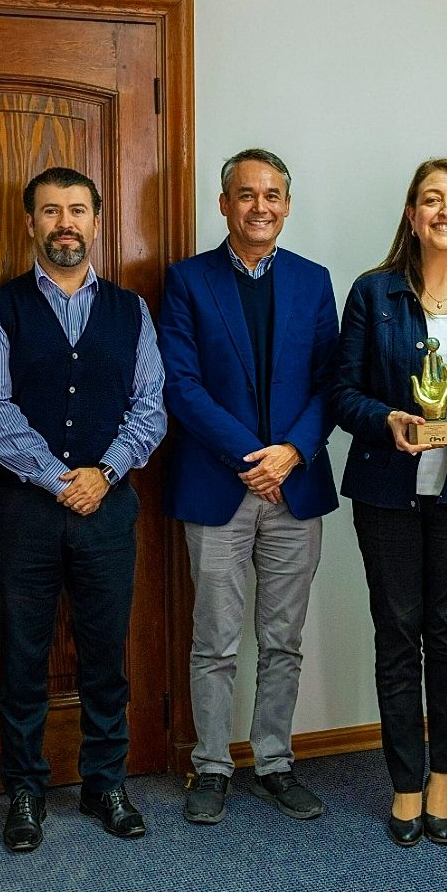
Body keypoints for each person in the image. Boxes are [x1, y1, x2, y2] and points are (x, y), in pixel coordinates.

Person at [0, 167, 166, 852]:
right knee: (22, 657)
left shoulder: (131, 309)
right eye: (50, 211)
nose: (64, 223)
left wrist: (104, 472)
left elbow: (151, 406)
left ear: (97, 220)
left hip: (109, 508)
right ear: (30, 224)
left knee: (105, 655)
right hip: (24, 510)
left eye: (76, 209)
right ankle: (24, 787)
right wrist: (60, 479)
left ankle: (104, 780)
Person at [332, 158, 447, 847]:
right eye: (432, 199)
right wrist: (386, 419)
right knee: (396, 633)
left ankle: (444, 774)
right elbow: (342, 393)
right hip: (387, 488)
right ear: (412, 215)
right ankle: (404, 781)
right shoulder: (371, 292)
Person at [160, 148, 338, 825]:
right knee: (216, 638)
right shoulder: (186, 281)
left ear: (287, 205)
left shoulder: (314, 282)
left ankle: (274, 760)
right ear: (224, 204)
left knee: (283, 637)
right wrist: (250, 455)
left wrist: (291, 452)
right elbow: (182, 384)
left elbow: (331, 381)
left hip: (295, 487)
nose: (259, 206)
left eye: (272, 194)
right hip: (219, 487)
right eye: (245, 194)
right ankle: (210, 765)